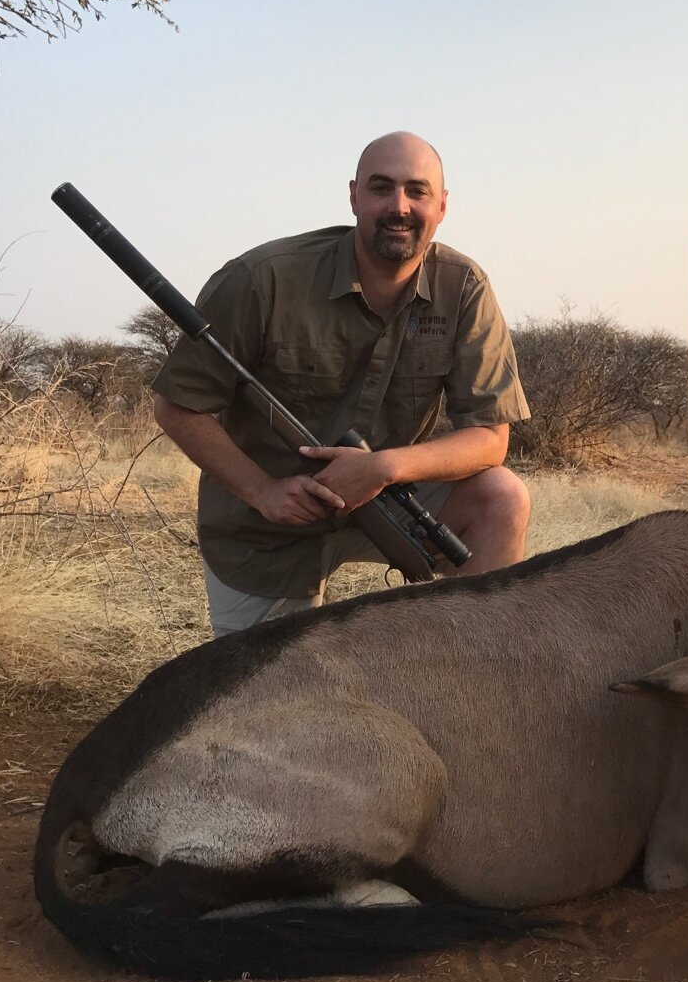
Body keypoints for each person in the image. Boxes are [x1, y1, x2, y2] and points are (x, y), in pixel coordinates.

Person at [151, 132, 531, 636]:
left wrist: (383, 468)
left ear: (442, 206)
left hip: (393, 501)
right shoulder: (261, 278)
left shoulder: (464, 287)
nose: (399, 206)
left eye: (417, 191)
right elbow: (176, 405)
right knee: (267, 698)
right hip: (268, 523)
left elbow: (490, 438)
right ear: (354, 195)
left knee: (502, 498)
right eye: (381, 188)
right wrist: (263, 491)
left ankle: (468, 664)